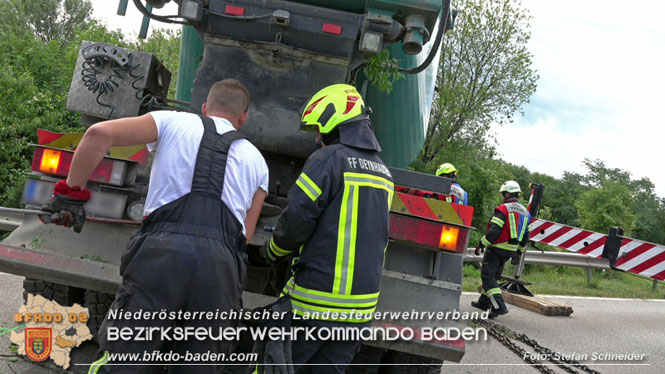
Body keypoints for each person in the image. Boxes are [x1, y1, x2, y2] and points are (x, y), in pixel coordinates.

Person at [39, 79, 269, 373]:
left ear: (204, 108)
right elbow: (244, 236)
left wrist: (71, 194)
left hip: (161, 255)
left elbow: (98, 133)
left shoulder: (172, 121)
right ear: (243, 119)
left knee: (129, 360)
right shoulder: (258, 163)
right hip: (219, 269)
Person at [259, 84, 394, 373]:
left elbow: (296, 221)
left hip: (315, 307)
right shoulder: (384, 172)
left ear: (335, 122)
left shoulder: (327, 160)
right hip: (359, 313)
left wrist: (272, 251)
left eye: (319, 129)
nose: (318, 138)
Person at [471, 180, 530, 318]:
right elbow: (526, 236)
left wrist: (481, 244)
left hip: (496, 248)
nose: (502, 197)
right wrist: (519, 251)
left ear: (507, 194)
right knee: (493, 277)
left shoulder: (503, 209)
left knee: (488, 277)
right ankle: (484, 303)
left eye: (503, 194)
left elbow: (494, 231)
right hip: (510, 251)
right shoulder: (526, 213)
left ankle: (499, 307)